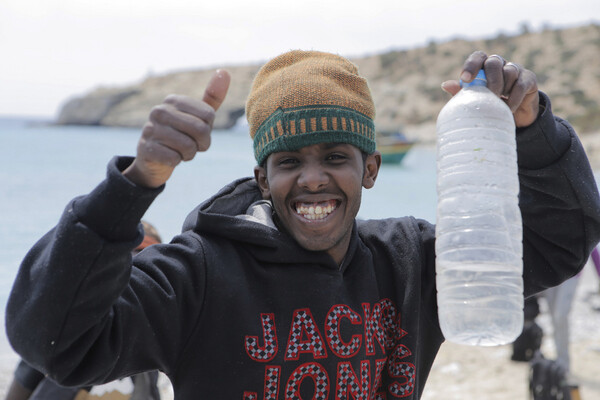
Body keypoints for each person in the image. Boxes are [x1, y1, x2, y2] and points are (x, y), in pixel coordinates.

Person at [5, 50, 600, 399]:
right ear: (263, 179)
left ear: (369, 168)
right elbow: (53, 340)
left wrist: (533, 128)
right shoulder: (197, 274)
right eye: (289, 161)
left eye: (335, 157)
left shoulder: (411, 261)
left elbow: (558, 244)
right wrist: (133, 185)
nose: (312, 179)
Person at [4, 221, 163, 400]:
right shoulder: (70, 324)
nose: (135, 263)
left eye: (142, 256)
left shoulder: (145, 328)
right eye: (133, 254)